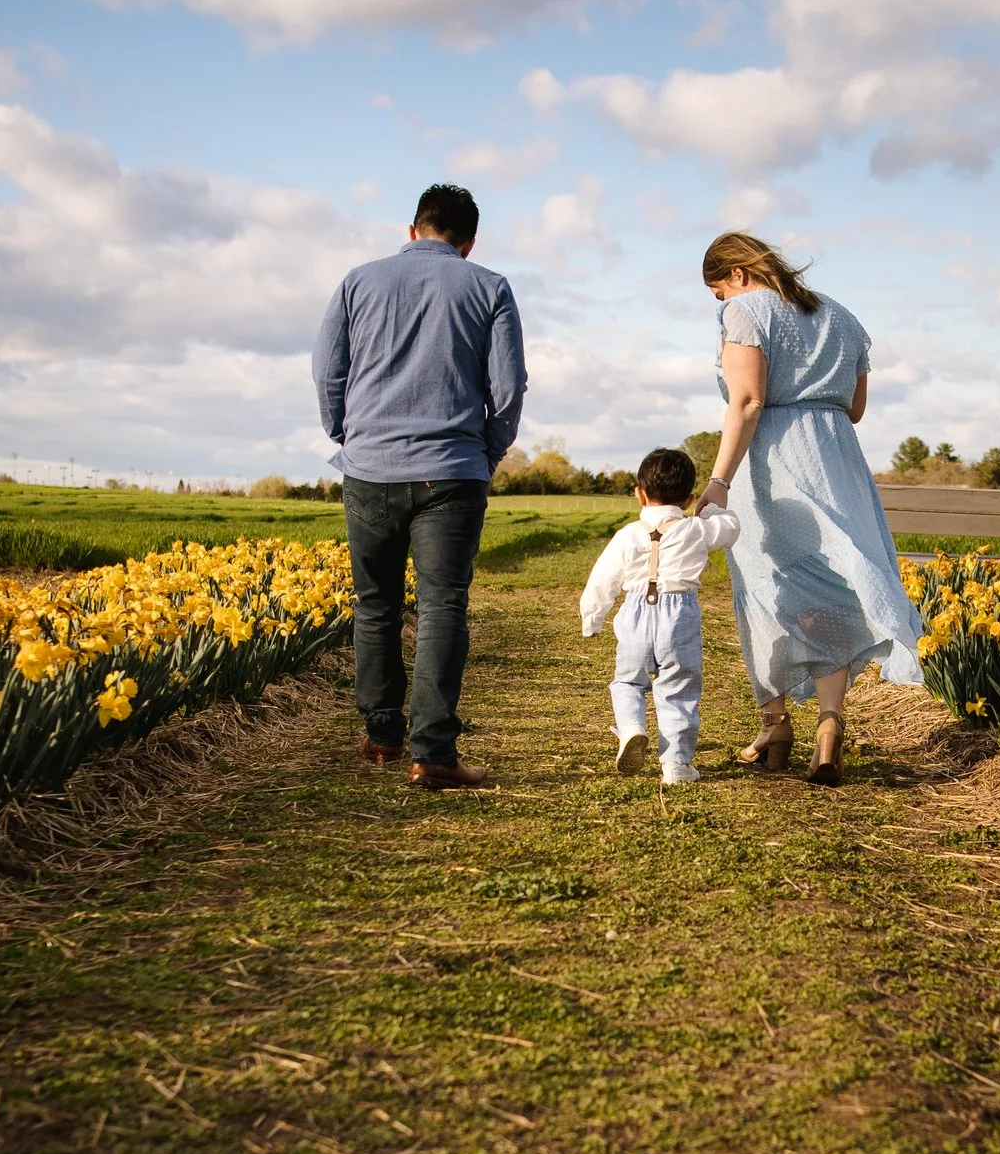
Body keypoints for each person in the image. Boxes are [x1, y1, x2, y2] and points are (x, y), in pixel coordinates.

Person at [313, 184, 527, 790]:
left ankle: (381, 736)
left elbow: (328, 368)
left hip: (369, 468)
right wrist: (486, 453)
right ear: (469, 242)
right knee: (441, 607)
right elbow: (508, 388)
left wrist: (345, 433)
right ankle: (432, 752)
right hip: (452, 471)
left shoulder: (359, 281)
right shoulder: (489, 286)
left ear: (412, 230)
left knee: (375, 605)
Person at [696, 231, 924, 787]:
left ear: (738, 276)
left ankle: (775, 725)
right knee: (831, 591)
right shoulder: (843, 317)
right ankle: (829, 726)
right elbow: (856, 407)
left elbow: (746, 402)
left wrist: (718, 480)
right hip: (837, 459)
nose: (722, 306)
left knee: (766, 588)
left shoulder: (746, 312)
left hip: (772, 460)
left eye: (718, 292)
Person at [578, 446, 739, 786]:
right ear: (689, 498)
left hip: (635, 613)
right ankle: (677, 765)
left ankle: (632, 728)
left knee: (627, 682)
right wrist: (711, 510)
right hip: (679, 615)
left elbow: (603, 578)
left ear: (639, 494)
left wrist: (592, 619)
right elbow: (730, 528)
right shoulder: (696, 529)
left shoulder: (627, 535)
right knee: (678, 689)